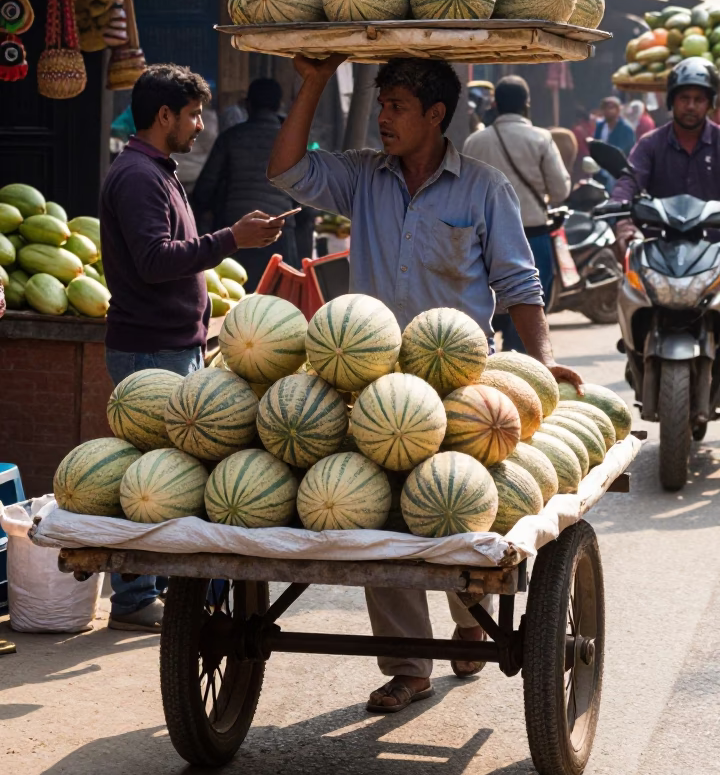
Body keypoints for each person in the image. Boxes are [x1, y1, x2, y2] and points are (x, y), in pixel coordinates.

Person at [267, 55, 582, 715]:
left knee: (453, 508)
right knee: (380, 513)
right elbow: (288, 171)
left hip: (460, 383)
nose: (383, 117)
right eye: (381, 105)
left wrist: (543, 358)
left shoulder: (484, 189)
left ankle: (470, 620)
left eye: (397, 107)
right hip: (375, 380)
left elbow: (519, 285)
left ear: (436, 116)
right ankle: (409, 666)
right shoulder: (361, 177)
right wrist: (316, 82)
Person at [100, 64, 284, 631]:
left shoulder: (158, 170)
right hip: (149, 350)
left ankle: (154, 590)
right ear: (164, 116)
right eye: (194, 114)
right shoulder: (136, 176)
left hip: (172, 344)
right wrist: (233, 238)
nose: (201, 125)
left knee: (169, 474)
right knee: (150, 476)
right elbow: (155, 260)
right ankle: (132, 599)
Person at [463, 76, 571, 350]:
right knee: (525, 329)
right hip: (533, 241)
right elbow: (560, 191)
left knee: (476, 325)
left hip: (481, 247)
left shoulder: (474, 142)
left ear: (496, 104)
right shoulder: (541, 138)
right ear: (527, 104)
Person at [193, 77, 299, 290]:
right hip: (279, 233)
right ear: (279, 106)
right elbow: (306, 198)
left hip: (237, 234)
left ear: (248, 105)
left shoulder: (231, 138)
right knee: (276, 303)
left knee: (237, 300)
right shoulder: (292, 141)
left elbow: (204, 190)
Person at [611, 60, 720, 254]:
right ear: (672, 101)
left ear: (709, 104)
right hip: (660, 251)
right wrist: (624, 222)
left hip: (714, 251)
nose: (691, 106)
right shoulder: (650, 144)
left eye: (699, 99)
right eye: (684, 98)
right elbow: (629, 179)